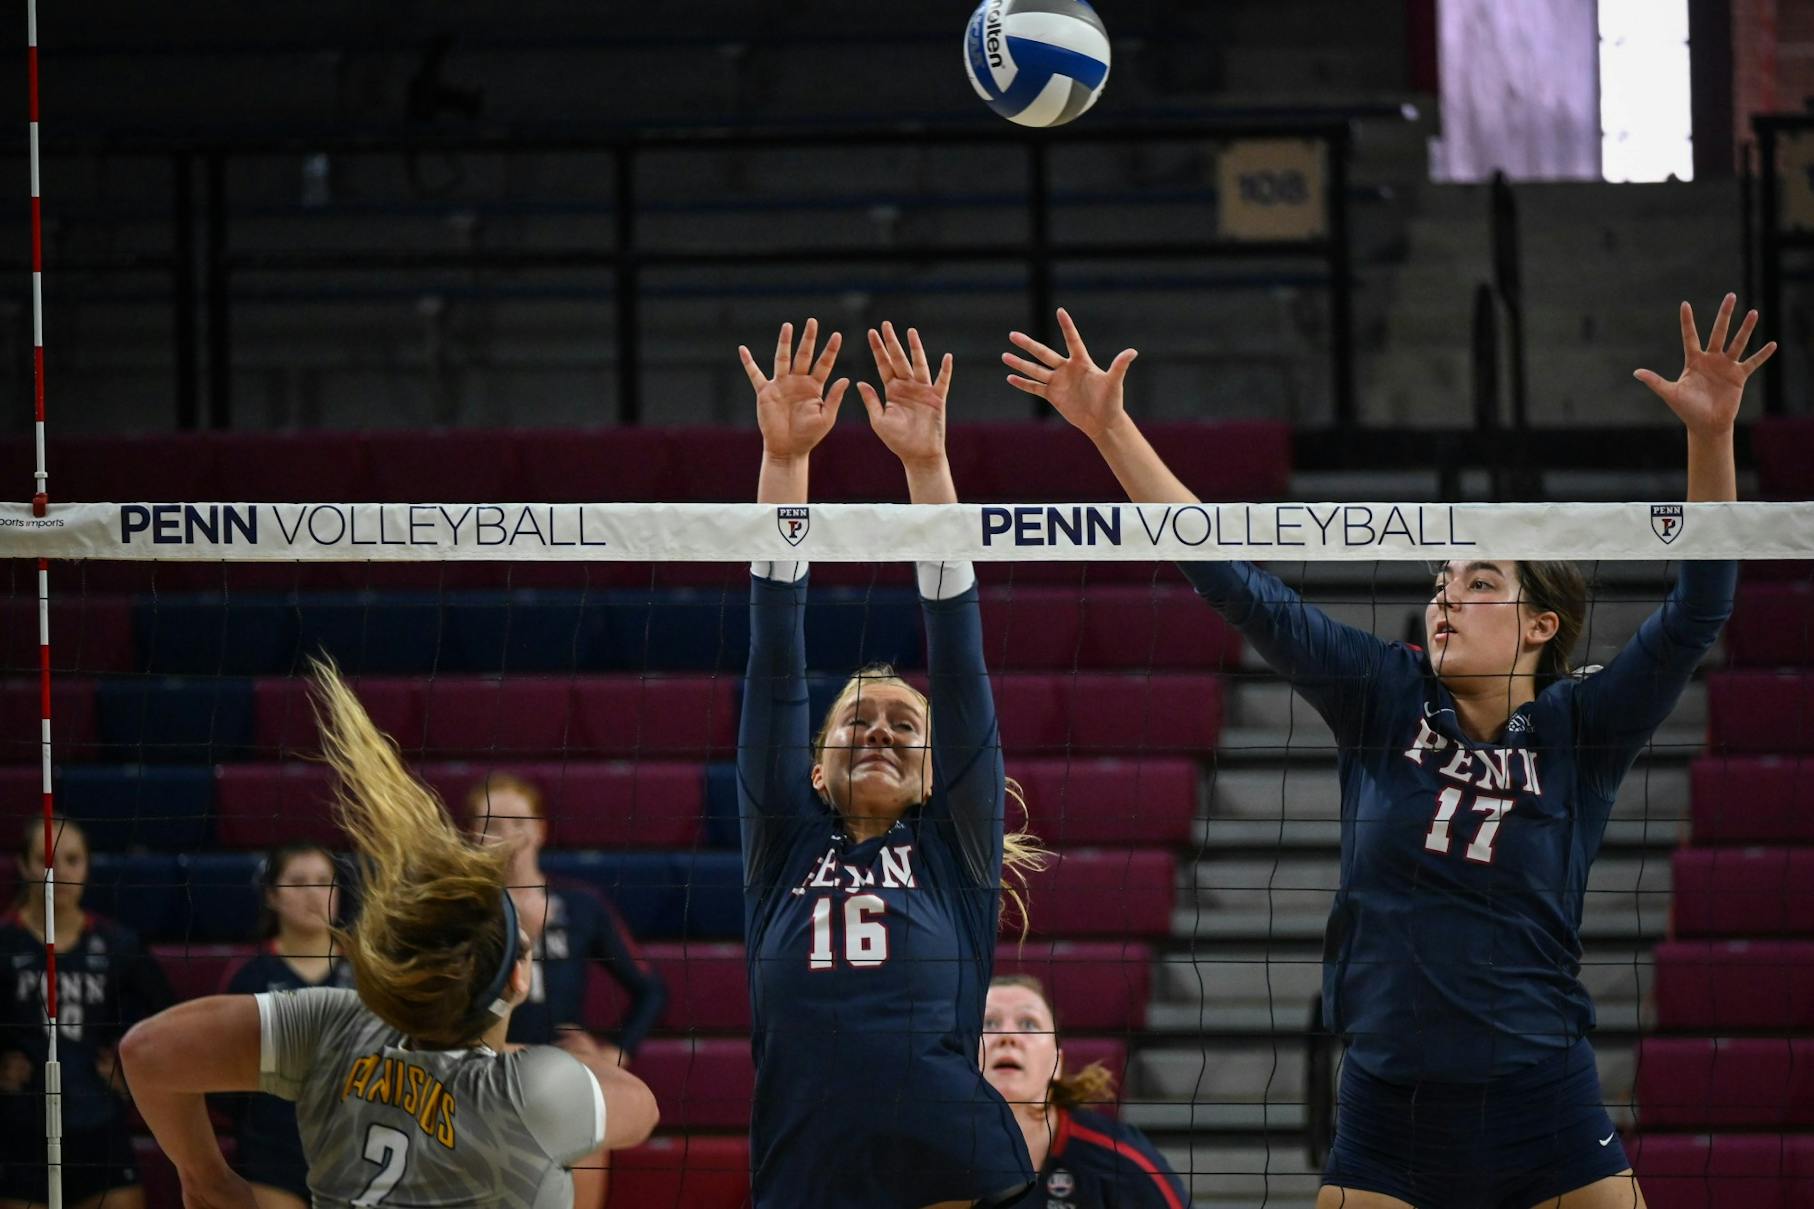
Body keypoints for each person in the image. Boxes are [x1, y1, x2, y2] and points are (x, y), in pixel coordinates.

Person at [1002, 296, 1775, 1209]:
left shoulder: (1582, 727)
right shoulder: (1384, 692)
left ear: (1541, 624)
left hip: (1544, 1100)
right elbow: (1232, 580)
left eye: (1478, 582)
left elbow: (1699, 612)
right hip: (1391, 1102)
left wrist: (1712, 434)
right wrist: (1110, 427)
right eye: (1440, 581)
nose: (1444, 599)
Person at [118, 660, 659, 1209]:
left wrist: (207, 1180)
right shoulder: (533, 1090)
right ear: (519, 977)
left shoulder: (332, 1025)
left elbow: (144, 1050)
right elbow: (641, 1107)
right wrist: (562, 1057)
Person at [737, 318, 1045, 1208]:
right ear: (812, 767)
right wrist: (785, 463)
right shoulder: (783, 842)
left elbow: (957, 655)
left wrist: (927, 469)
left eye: (903, 725)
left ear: (935, 769)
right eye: (856, 721)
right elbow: (774, 655)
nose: (878, 731)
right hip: (808, 1169)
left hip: (953, 1165)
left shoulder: (956, 849)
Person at [465, 771, 668, 1209]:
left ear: (539, 830)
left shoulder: (580, 905)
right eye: (490, 825)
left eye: (515, 823)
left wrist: (617, 1051)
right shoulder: (461, 910)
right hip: (487, 1074)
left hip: (564, 1072)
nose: (505, 836)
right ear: (472, 836)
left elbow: (651, 990)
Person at [0, 815, 171, 1209]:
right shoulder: (6, 942)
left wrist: (132, 1069)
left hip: (98, 1124)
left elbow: (169, 1018)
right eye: (46, 859)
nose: (59, 872)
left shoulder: (117, 944)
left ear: (88, 867)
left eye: (72, 860)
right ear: (25, 866)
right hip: (21, 1129)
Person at [982, 975, 1191, 1209]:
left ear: (1056, 1063)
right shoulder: (935, 1160)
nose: (1007, 1037)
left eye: (1028, 1024)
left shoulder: (1119, 1161)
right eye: (988, 1023)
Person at [221, 842, 352, 1209]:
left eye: (324, 882)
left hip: (353, 1152)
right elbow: (220, 1073)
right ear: (272, 896)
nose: (313, 894)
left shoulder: (367, 971)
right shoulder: (251, 974)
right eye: (298, 883)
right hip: (271, 1154)